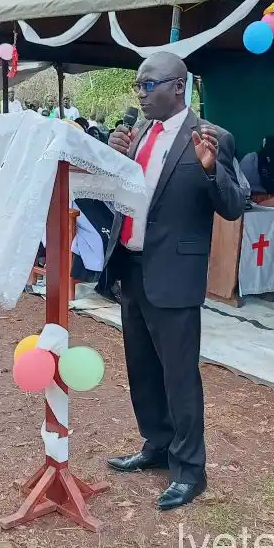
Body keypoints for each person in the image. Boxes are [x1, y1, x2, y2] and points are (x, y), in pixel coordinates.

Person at [105, 52, 245, 511]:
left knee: (179, 375)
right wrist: (114, 157)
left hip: (175, 275)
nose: (140, 95)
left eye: (148, 85)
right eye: (138, 86)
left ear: (178, 86)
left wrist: (210, 169)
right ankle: (157, 444)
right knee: (142, 368)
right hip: (131, 266)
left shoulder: (211, 137)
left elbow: (233, 206)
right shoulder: (140, 134)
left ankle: (189, 471)